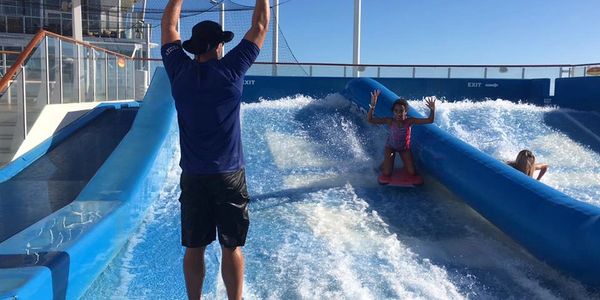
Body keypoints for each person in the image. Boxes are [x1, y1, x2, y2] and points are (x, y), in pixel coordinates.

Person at [161, 0, 269, 299]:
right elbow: (259, 26)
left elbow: (169, 27)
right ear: (218, 46)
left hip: (194, 176)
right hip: (229, 176)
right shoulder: (231, 72)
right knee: (230, 246)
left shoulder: (178, 71)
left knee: (194, 247)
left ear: (195, 47)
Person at [367, 90, 436, 177]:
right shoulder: (390, 121)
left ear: (406, 112)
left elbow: (430, 120)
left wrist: (432, 110)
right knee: (387, 173)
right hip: (390, 147)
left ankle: (394, 162)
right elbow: (370, 120)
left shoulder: (410, 121)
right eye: (396, 111)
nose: (398, 113)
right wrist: (372, 106)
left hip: (404, 148)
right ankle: (385, 163)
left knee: (412, 172)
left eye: (401, 111)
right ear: (393, 112)